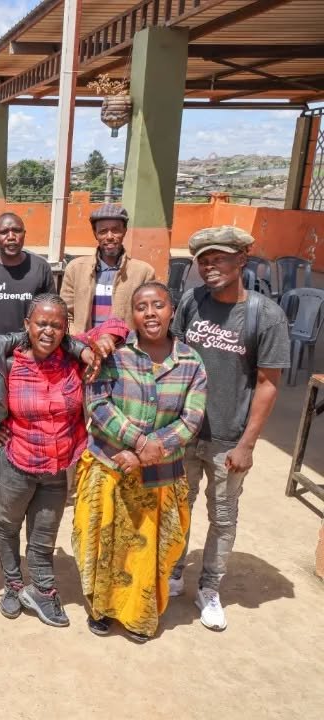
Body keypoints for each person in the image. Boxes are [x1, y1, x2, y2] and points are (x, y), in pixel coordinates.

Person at [170, 226, 290, 631]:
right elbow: (174, 356)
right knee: (177, 506)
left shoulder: (265, 316)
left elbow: (269, 383)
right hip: (185, 433)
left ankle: (209, 588)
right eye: (203, 261)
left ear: (242, 258)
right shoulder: (193, 301)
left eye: (218, 258)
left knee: (222, 516)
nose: (209, 267)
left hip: (228, 440)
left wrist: (248, 444)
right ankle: (172, 571)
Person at [73, 282, 207, 642]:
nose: (150, 313)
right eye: (142, 307)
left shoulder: (191, 362)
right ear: (131, 314)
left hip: (160, 476)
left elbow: (191, 420)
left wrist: (151, 450)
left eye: (158, 305)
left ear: (172, 310)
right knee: (103, 544)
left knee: (147, 553)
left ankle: (138, 615)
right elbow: (98, 403)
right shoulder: (115, 355)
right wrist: (137, 443)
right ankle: (101, 609)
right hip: (110, 466)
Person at [0, 294, 126, 629]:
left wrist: (102, 340)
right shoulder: (9, 361)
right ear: (27, 326)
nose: (47, 331)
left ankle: (42, 589)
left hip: (58, 466)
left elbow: (118, 324)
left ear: (66, 328)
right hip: (15, 462)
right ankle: (12, 584)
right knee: (8, 526)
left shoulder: (74, 358)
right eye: (40, 323)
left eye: (56, 324)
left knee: (44, 533)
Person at [60, 204, 156, 335]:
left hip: (124, 350)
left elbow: (147, 317)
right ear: (95, 234)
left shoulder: (143, 272)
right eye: (103, 231)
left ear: (124, 231)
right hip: (84, 349)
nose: (109, 236)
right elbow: (65, 314)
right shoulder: (76, 269)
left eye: (115, 230)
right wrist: (80, 345)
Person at [0, 212, 57, 334]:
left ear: (24, 234)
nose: (11, 236)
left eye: (17, 231)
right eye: (4, 232)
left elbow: (52, 310)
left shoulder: (40, 267)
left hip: (27, 350)